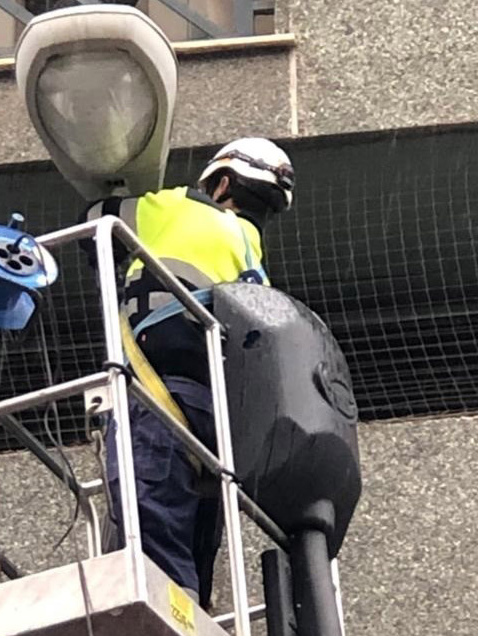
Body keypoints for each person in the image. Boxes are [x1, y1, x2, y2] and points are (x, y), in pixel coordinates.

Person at [79, 137, 294, 609]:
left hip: (158, 400)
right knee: (193, 539)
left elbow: (95, 221)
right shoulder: (253, 260)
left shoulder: (181, 208)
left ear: (221, 184)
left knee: (148, 520)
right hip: (212, 417)